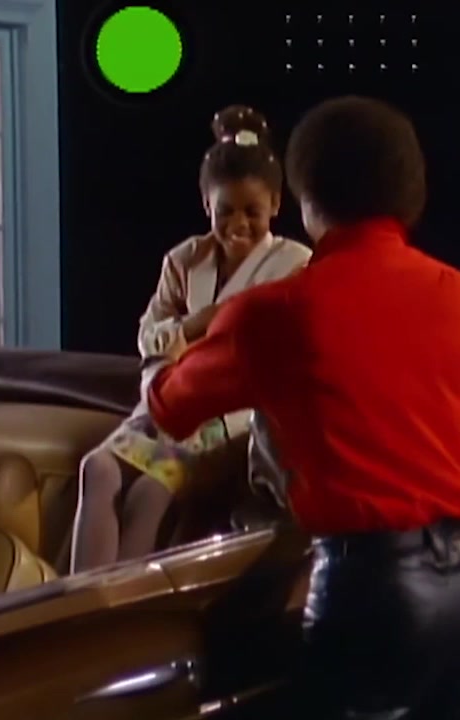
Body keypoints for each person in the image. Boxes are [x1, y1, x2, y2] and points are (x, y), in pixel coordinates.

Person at [140, 96, 460, 719]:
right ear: (411, 192)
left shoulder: (275, 312)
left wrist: (167, 350)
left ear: (305, 199)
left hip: (366, 593)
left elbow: (169, 409)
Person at [70, 105, 312, 573]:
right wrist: (198, 323)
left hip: (232, 418)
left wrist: (185, 340)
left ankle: (125, 610)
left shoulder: (294, 264)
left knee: (151, 490)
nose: (238, 224)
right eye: (225, 211)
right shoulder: (184, 259)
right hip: (167, 398)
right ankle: (77, 604)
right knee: (95, 468)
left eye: (252, 212)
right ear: (206, 205)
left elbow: (269, 354)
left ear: (276, 205)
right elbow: (149, 336)